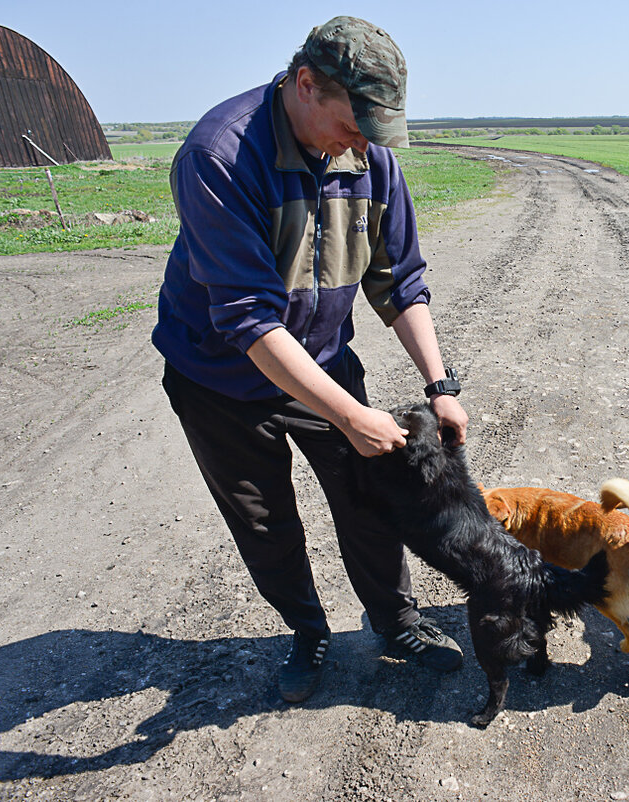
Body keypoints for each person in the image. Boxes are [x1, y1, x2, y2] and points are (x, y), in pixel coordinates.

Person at [153, 16, 469, 702]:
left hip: (323, 359)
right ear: (305, 85)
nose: (364, 146)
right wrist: (353, 415)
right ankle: (306, 629)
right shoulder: (219, 156)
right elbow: (247, 320)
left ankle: (397, 621)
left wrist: (439, 384)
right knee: (265, 522)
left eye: (375, 133)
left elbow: (400, 281)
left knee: (373, 501)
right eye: (355, 127)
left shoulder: (370, 159)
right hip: (221, 381)